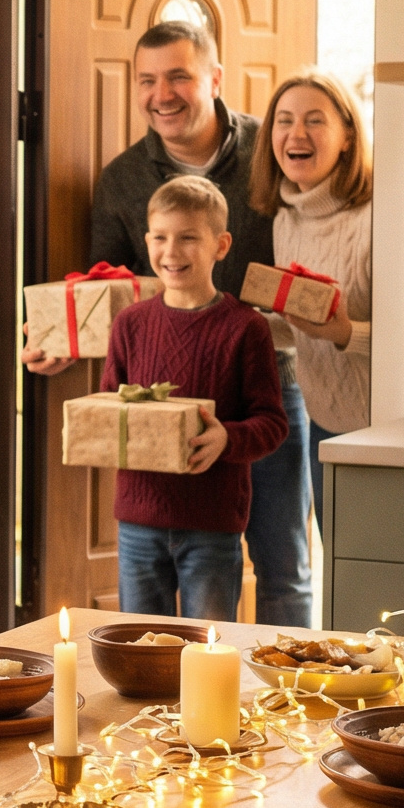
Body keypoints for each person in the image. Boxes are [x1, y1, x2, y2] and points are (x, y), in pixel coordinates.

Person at [27, 19, 314, 626]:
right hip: (168, 400)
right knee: (167, 579)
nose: (163, 94)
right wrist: (61, 342)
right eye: (147, 80)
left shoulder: (271, 153)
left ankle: (290, 703)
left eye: (179, 76)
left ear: (214, 77)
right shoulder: (122, 179)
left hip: (267, 378)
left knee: (282, 565)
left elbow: (321, 226)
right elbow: (108, 293)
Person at [102, 176, 289, 619]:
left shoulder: (247, 328)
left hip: (213, 524)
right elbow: (111, 409)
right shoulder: (129, 324)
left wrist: (228, 438)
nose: (171, 252)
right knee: (138, 649)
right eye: (161, 238)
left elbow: (272, 422)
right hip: (137, 523)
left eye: (188, 238)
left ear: (220, 245)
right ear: (147, 241)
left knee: (209, 651)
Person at [247, 70, 373, 533]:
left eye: (314, 121)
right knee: (343, 575)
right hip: (325, 423)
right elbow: (303, 327)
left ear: (347, 136)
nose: (295, 134)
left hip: (379, 432)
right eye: (284, 121)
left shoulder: (377, 216)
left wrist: (342, 333)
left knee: (387, 588)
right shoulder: (287, 218)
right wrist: (235, 321)